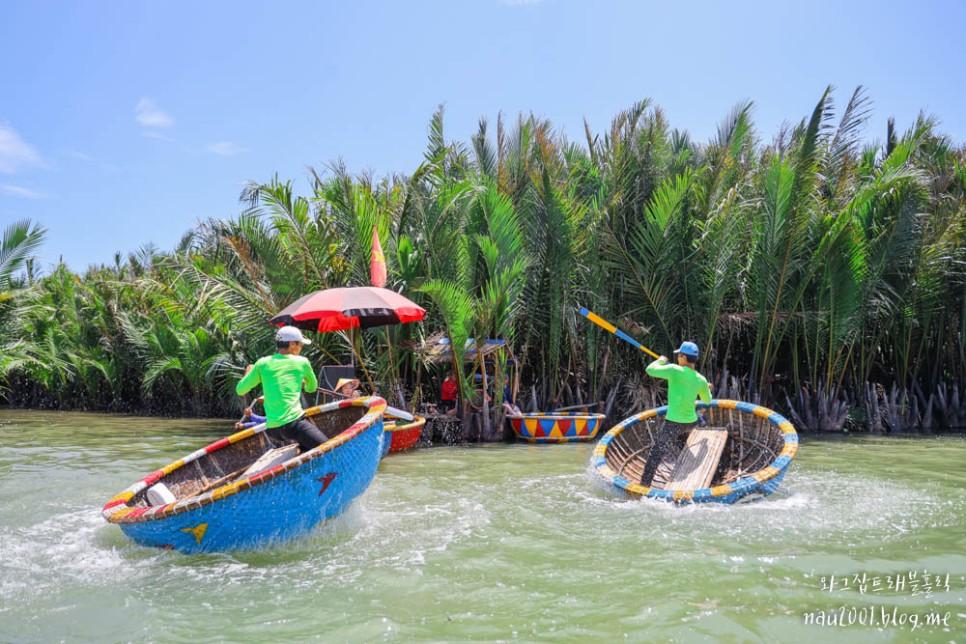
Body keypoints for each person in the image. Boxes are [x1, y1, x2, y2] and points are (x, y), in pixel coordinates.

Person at [235, 326, 327, 452]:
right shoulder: (302, 362)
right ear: (292, 344)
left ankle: (303, 454)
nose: (301, 347)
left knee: (305, 447)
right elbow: (312, 388)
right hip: (293, 424)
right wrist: (303, 383)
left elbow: (240, 390)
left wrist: (248, 373)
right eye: (300, 344)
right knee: (329, 448)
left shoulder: (262, 363)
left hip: (272, 429)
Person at [639, 341, 713, 487]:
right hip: (690, 422)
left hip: (673, 423)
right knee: (683, 433)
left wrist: (661, 360)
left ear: (684, 358)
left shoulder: (674, 370)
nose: (678, 358)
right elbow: (707, 400)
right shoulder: (701, 379)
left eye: (679, 355)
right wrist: (707, 387)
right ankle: (700, 420)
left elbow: (650, 369)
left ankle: (643, 486)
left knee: (656, 453)